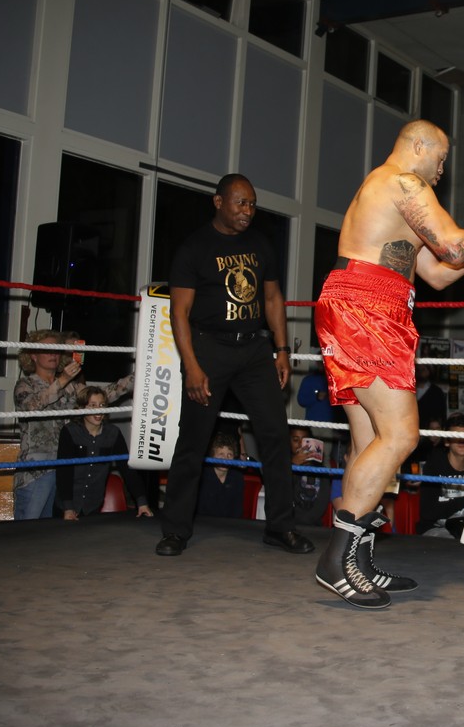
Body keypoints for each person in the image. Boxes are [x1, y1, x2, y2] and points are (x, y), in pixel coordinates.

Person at [312, 119, 464, 608]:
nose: (442, 170)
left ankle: (358, 560)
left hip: (364, 303)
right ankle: (336, 560)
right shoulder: (403, 182)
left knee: (370, 442)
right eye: (440, 158)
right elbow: (456, 245)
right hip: (366, 307)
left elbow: (440, 273)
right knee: (401, 436)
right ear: (418, 145)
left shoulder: (388, 194)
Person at [154, 174, 313, 557]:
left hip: (253, 350)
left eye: (252, 204)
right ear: (218, 202)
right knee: (193, 441)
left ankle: (280, 528)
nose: (248, 211)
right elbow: (179, 312)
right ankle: (175, 530)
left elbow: (272, 299)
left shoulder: (260, 244)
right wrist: (192, 365)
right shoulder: (194, 248)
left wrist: (281, 349)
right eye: (240, 203)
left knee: (275, 435)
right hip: (209, 349)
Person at [13, 329, 133, 520]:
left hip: (68, 470)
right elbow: (30, 406)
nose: (53, 354)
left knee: (55, 531)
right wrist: (62, 380)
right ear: (33, 355)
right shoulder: (25, 384)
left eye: (57, 350)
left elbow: (104, 395)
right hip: (37, 471)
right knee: (27, 530)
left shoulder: (71, 387)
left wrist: (139, 376)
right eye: (47, 350)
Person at [56, 386, 152, 520]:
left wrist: (142, 502)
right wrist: (68, 508)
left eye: (102, 405)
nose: (98, 410)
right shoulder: (70, 431)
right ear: (81, 408)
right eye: (93, 405)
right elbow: (64, 472)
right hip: (65, 507)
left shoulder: (113, 433)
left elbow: (127, 468)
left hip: (93, 506)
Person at [417, 413, 464, 538]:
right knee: (452, 544)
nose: (462, 440)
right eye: (456, 435)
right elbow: (428, 512)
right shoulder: (434, 466)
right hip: (437, 528)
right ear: (447, 441)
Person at [197, 431, 246, 518]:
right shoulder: (202, 476)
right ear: (212, 456)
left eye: (229, 455)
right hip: (204, 523)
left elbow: (237, 511)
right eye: (221, 454)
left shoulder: (237, 478)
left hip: (229, 524)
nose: (226, 458)